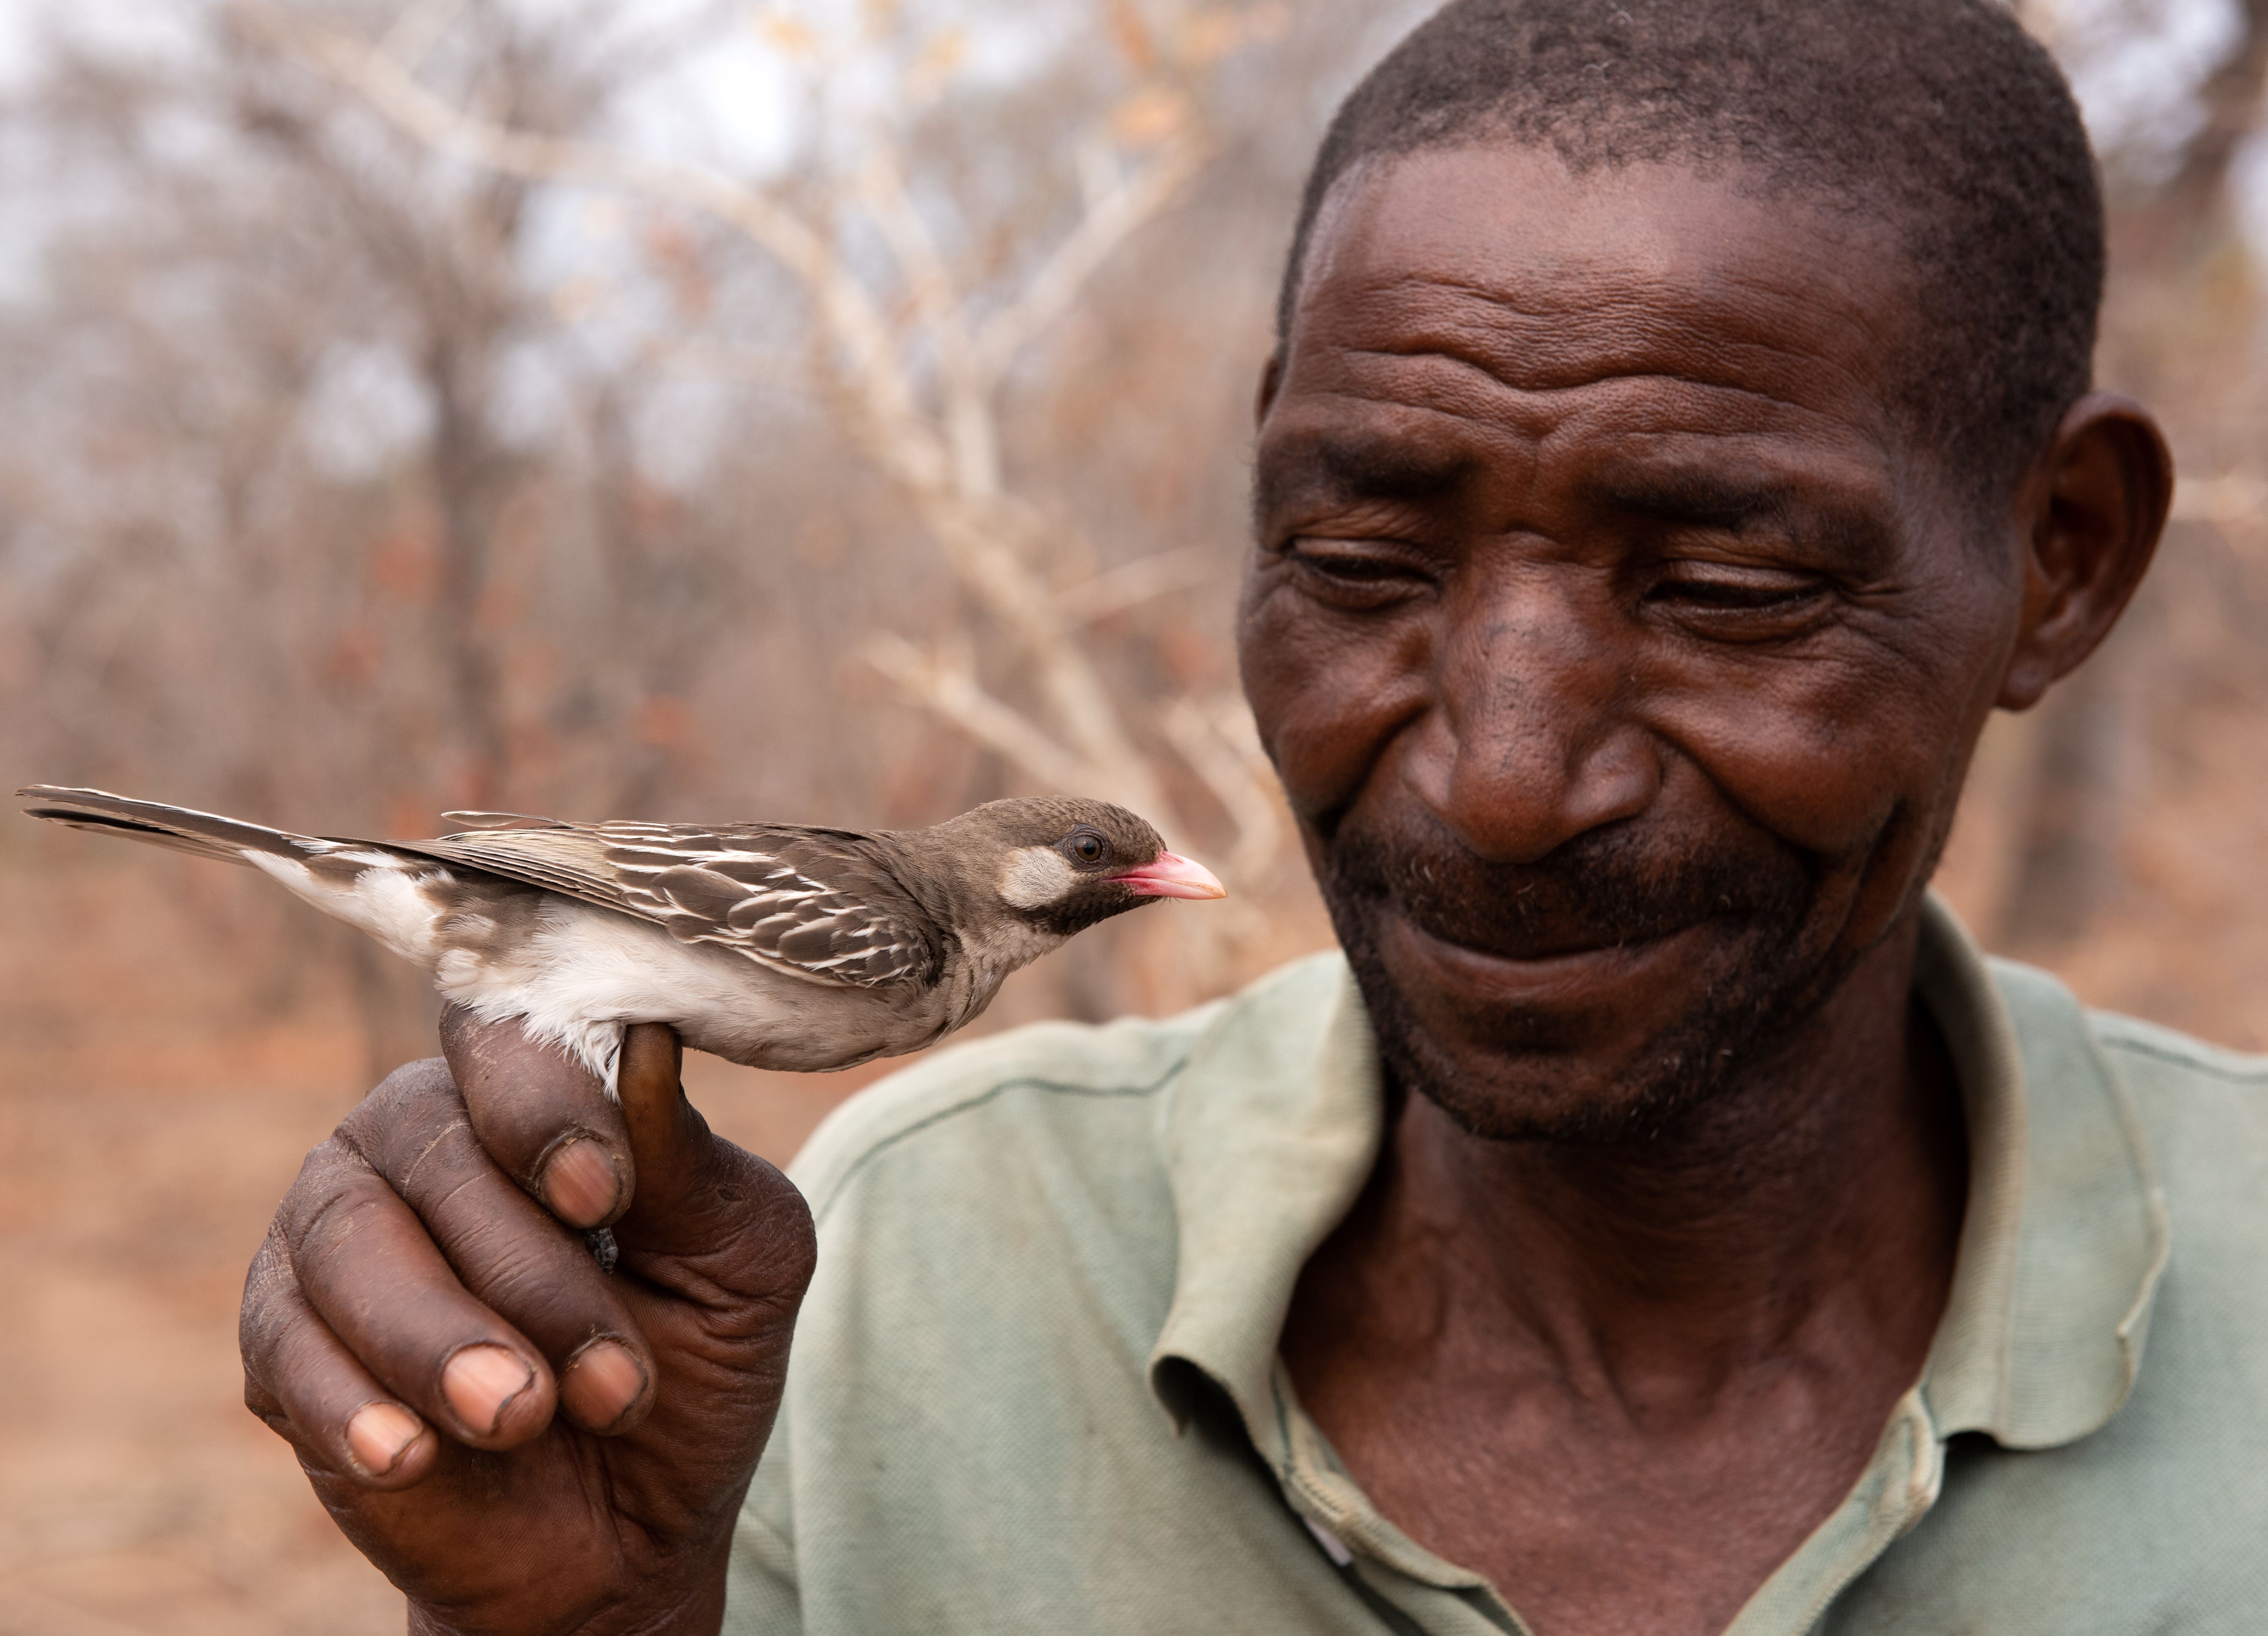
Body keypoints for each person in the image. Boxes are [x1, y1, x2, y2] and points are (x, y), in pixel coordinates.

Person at [234, 2, 2268, 1631]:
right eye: (1364, 560)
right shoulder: (879, 1280)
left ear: (2062, 559)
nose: (1499, 774)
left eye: (1726, 588)